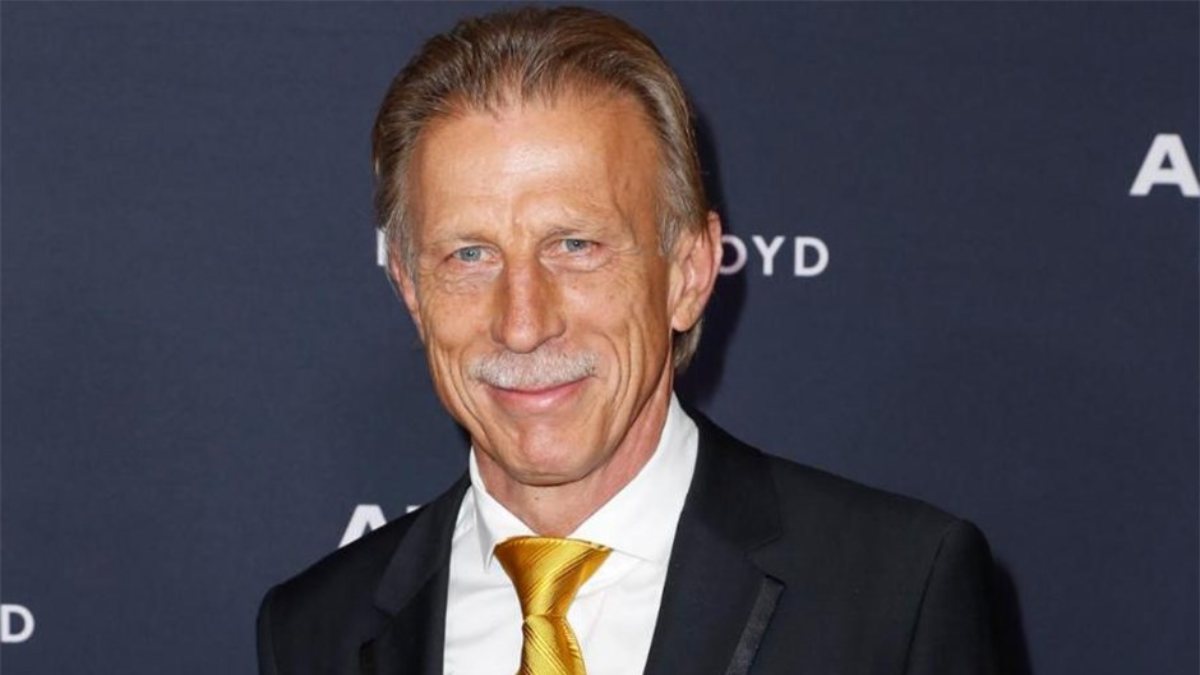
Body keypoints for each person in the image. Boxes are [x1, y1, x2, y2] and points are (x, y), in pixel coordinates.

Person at [257, 6, 998, 674]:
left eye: (575, 245)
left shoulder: (896, 595)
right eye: (470, 255)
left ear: (690, 271)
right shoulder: (315, 630)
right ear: (411, 290)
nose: (523, 323)